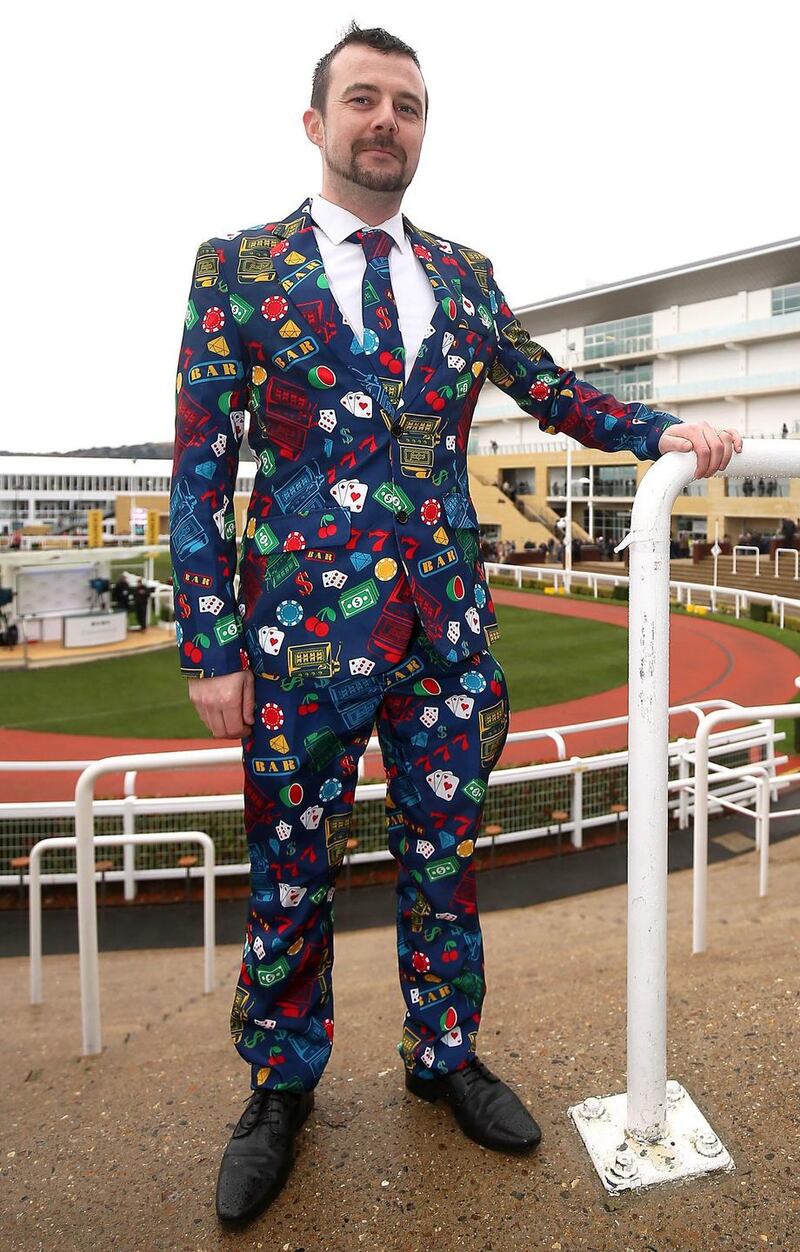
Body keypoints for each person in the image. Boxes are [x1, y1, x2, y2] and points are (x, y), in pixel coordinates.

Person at [169, 23, 742, 1229]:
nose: (387, 120)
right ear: (315, 123)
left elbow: (551, 390)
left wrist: (662, 434)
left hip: (445, 636)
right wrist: (209, 647)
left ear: (423, 129)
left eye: (409, 104)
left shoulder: (465, 275)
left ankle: (443, 1056)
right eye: (363, 99)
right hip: (298, 641)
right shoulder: (238, 267)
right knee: (290, 871)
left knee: (444, 862)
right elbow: (199, 468)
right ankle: (280, 1086)